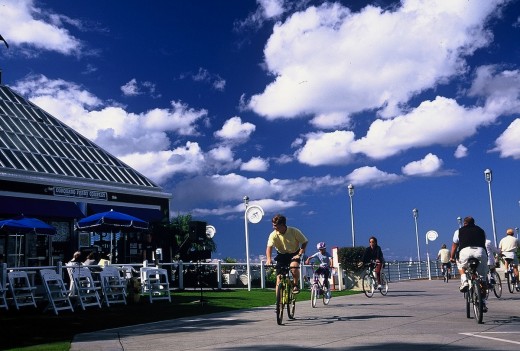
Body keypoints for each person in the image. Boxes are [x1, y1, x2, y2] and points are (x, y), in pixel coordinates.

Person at [450, 216, 489, 311]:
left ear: (464, 223)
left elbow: (454, 246)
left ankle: (464, 281)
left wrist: (452, 257)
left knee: (461, 265)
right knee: (482, 279)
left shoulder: (458, 231)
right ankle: (483, 301)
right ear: (474, 223)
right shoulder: (481, 230)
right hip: (480, 252)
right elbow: (483, 243)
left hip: (465, 252)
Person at [266, 214, 308, 294]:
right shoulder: (273, 235)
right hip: (281, 255)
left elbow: (304, 242)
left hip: (294, 253)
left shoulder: (294, 231)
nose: (273, 227)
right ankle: (278, 303)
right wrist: (268, 259)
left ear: (282, 225)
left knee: (294, 267)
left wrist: (299, 254)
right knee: (279, 277)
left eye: (275, 225)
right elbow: (269, 247)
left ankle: (295, 284)